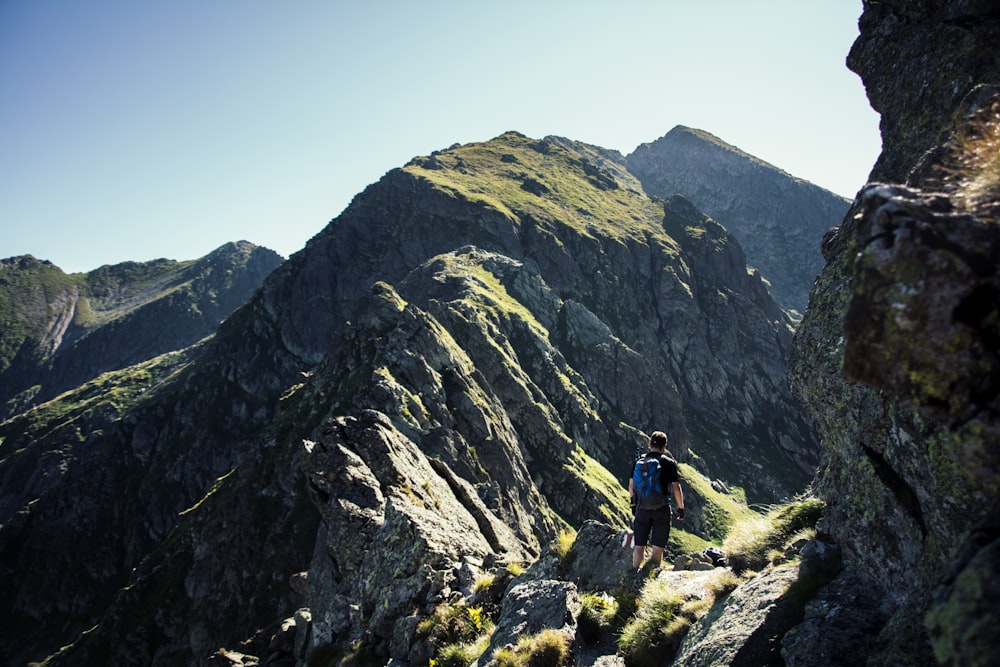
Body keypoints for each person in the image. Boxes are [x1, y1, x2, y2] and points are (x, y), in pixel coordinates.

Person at [629, 430, 684, 570]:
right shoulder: (668, 462)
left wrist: (634, 504)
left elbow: (631, 485)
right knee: (657, 548)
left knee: (639, 546)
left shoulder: (639, 461)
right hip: (662, 509)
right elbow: (676, 487)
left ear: (649, 444)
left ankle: (633, 578)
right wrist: (681, 508)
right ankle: (651, 577)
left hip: (641, 509)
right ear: (664, 446)